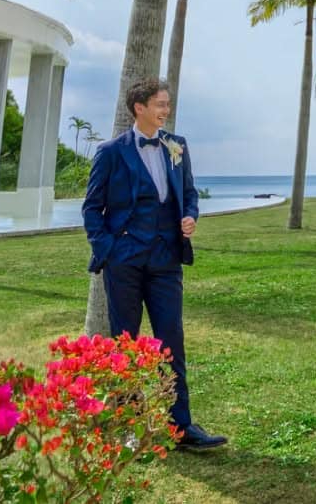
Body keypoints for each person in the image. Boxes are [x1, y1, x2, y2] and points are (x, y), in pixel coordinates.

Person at [82, 78, 227, 451]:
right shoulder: (111, 152)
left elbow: (189, 193)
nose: (166, 110)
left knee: (170, 341)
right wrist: (109, 249)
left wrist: (190, 216)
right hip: (124, 263)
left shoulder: (177, 146)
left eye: (167, 104)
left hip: (166, 260)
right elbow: (92, 208)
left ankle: (181, 427)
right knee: (126, 344)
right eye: (160, 104)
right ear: (140, 108)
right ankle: (129, 428)